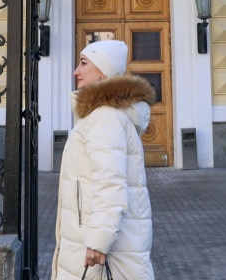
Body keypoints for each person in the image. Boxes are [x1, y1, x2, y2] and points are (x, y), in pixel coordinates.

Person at [52, 39, 156, 280]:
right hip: (95, 238)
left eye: (84, 63)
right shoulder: (102, 115)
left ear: (103, 72)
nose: (76, 71)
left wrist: (98, 242)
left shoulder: (105, 117)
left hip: (100, 249)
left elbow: (110, 184)